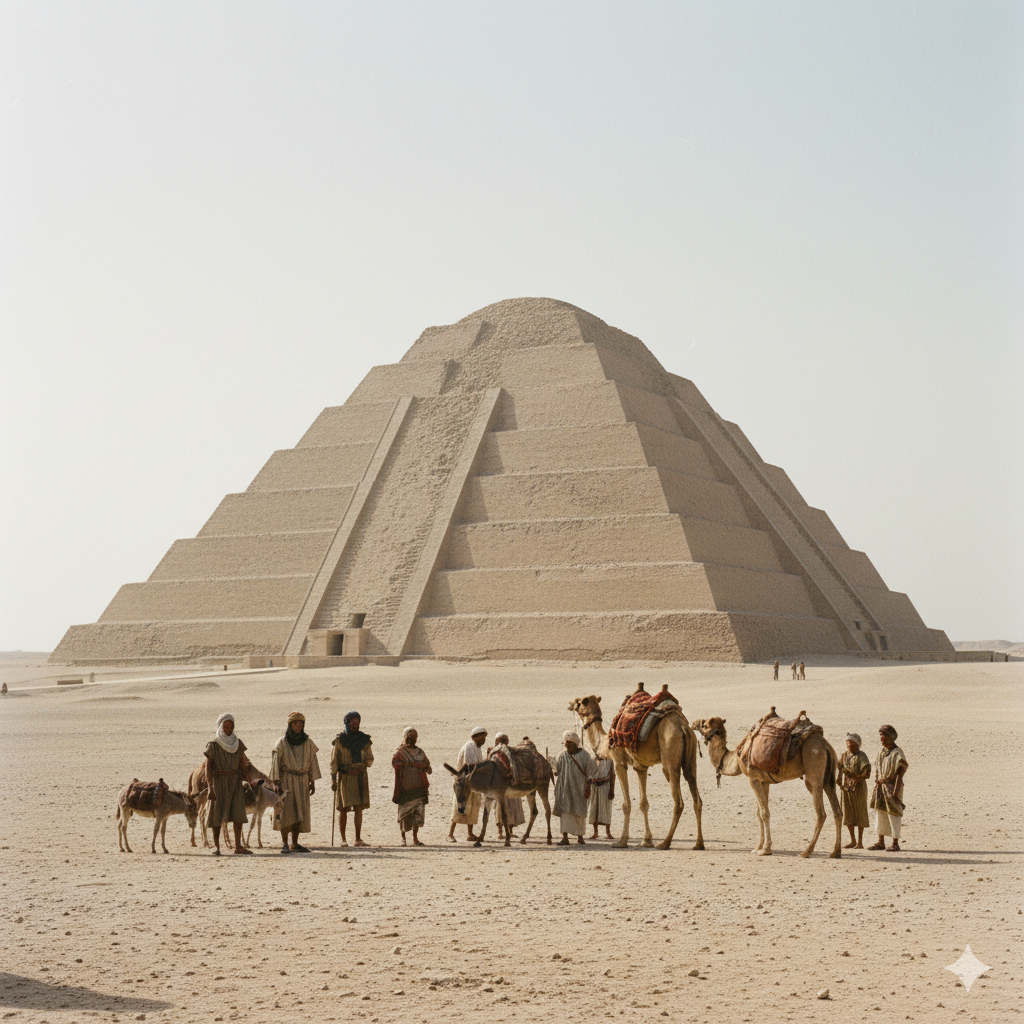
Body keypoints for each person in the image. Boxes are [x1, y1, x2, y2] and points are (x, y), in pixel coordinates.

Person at [269, 711, 321, 854]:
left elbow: (312, 762)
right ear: (290, 725)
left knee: (299, 812)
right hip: (286, 780)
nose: (298, 726)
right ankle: (285, 843)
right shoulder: (281, 743)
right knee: (286, 812)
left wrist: (312, 781)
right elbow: (275, 764)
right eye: (295, 724)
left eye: (301, 724)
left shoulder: (308, 743)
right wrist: (276, 783)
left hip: (302, 781)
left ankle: (295, 843)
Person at [204, 713, 252, 856]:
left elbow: (243, 763)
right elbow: (208, 767)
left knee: (238, 814)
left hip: (235, 782)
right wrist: (209, 787)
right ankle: (217, 847)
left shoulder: (238, 744)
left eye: (230, 725)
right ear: (220, 727)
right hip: (218, 783)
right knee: (216, 815)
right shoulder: (213, 745)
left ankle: (238, 846)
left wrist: (247, 778)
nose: (228, 728)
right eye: (225, 726)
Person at [330, 711, 373, 847]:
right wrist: (333, 779)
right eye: (352, 723)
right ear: (347, 723)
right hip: (345, 778)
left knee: (359, 808)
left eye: (357, 722)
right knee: (343, 809)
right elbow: (334, 761)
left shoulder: (364, 740)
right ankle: (343, 840)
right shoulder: (340, 741)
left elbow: (370, 758)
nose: (355, 725)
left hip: (360, 776)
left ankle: (358, 839)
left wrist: (361, 766)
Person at [869, 724, 908, 852]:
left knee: (893, 814)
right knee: (880, 813)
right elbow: (877, 769)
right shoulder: (881, 752)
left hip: (892, 787)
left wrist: (895, 792)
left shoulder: (897, 753)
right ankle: (881, 842)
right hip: (881, 787)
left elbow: (899, 774)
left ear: (891, 737)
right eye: (881, 735)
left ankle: (895, 842)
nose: (882, 738)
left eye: (884, 735)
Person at [392, 727, 431, 846]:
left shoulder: (420, 752)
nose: (412, 739)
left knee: (417, 814)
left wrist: (421, 766)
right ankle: (403, 838)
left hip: (419, 788)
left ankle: (415, 838)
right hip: (405, 788)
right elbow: (396, 764)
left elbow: (428, 767)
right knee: (404, 814)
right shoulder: (399, 752)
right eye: (409, 737)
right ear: (405, 737)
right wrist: (415, 765)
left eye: (414, 737)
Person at [447, 726, 487, 843]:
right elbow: (470, 765)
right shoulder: (469, 746)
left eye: (484, 738)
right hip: (463, 783)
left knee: (473, 807)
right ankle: (450, 834)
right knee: (459, 807)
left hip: (473, 782)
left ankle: (470, 834)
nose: (483, 740)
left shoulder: (477, 748)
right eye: (481, 738)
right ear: (475, 737)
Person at [553, 730, 593, 845]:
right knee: (565, 813)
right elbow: (558, 769)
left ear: (575, 744)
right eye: (566, 744)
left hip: (579, 789)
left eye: (569, 744)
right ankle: (565, 837)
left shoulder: (585, 755)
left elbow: (590, 772)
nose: (567, 746)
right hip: (565, 789)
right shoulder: (562, 755)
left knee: (579, 812)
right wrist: (556, 771)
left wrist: (588, 787)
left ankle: (580, 837)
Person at [836, 732, 871, 849]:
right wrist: (839, 778)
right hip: (846, 788)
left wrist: (856, 778)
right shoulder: (844, 755)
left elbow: (867, 772)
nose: (849, 745)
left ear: (857, 744)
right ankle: (853, 840)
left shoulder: (862, 756)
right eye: (848, 742)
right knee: (848, 813)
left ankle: (860, 842)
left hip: (858, 788)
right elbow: (839, 767)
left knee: (860, 812)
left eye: (851, 742)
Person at [489, 732, 525, 839]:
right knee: (500, 808)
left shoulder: (509, 752)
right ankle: (501, 833)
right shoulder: (495, 754)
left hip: (510, 784)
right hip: (501, 785)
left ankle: (509, 831)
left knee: (511, 807)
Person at [587, 752, 615, 840]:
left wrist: (612, 789)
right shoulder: (592, 759)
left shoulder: (609, 759)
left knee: (606, 808)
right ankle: (595, 832)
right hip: (594, 785)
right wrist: (587, 788)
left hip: (605, 785)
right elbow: (587, 775)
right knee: (594, 809)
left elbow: (612, 775)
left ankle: (608, 832)